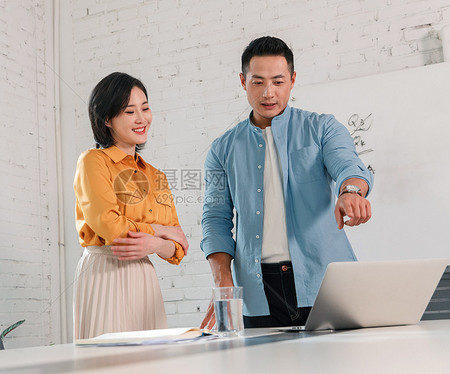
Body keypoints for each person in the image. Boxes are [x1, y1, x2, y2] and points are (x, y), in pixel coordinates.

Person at [200, 36, 373, 329]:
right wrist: (222, 282)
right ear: (243, 82)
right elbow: (215, 217)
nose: (268, 93)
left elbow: (348, 165)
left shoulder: (322, 128)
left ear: (292, 80)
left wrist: (351, 192)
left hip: (325, 279)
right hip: (259, 290)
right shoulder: (221, 149)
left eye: (278, 82)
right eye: (258, 82)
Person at [73, 72, 189, 339]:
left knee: (152, 363)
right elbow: (111, 227)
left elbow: (179, 246)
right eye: (129, 111)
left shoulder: (156, 176)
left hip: (144, 278)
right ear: (106, 119)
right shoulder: (93, 161)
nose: (142, 118)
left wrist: (156, 244)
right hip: (104, 273)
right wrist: (160, 230)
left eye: (145, 108)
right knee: (107, 364)